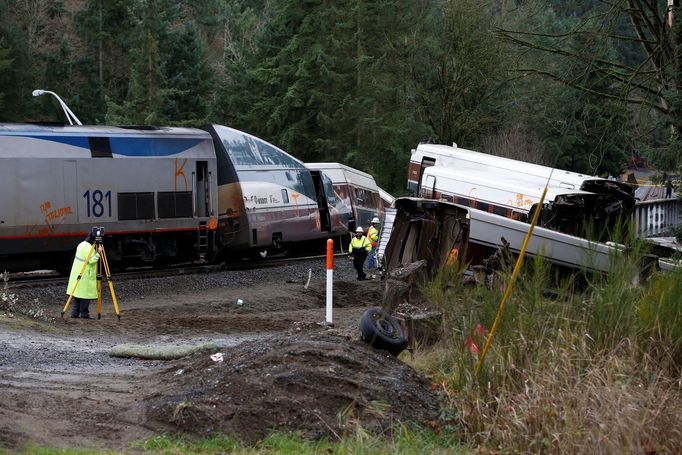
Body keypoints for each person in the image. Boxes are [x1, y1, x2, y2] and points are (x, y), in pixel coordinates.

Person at [66, 231, 101, 319]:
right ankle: (84, 314)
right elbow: (92, 261)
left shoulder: (81, 244)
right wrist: (98, 253)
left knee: (77, 294)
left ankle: (74, 314)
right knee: (85, 295)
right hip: (85, 274)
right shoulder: (89, 248)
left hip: (77, 272)